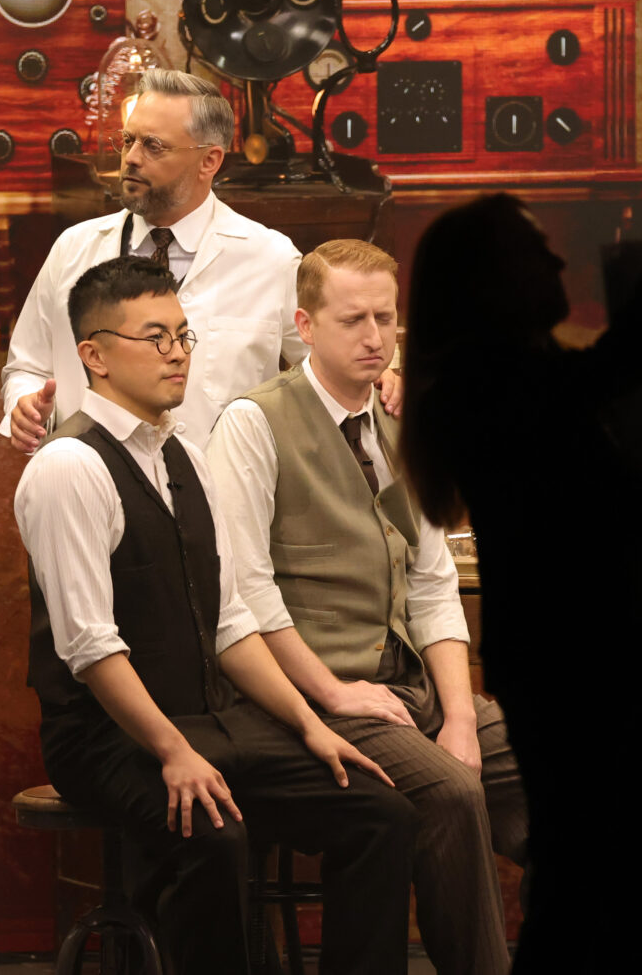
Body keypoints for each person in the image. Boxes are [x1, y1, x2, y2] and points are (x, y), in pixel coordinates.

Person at [14, 254, 414, 975]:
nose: (177, 354)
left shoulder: (187, 457)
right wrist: (172, 751)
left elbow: (232, 624)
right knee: (214, 837)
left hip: (211, 721)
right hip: (107, 740)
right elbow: (90, 648)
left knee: (380, 816)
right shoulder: (67, 467)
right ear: (93, 355)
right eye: (154, 338)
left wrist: (307, 725)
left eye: (183, 335)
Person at [206, 239, 529, 975]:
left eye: (385, 318)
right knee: (449, 793)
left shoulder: (401, 422)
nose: (375, 337)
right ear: (305, 324)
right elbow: (245, 593)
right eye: (352, 319)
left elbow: (430, 581)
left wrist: (457, 717)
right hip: (307, 695)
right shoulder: (252, 425)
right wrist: (329, 691)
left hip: (405, 685)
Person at [400, 193, 642, 975]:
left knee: (608, 897)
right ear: (491, 279)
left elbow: (618, 549)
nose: (559, 261)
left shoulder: (519, 383)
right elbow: (624, 362)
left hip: (597, 667)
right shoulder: (493, 387)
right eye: (536, 250)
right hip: (581, 676)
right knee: (594, 902)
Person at [0, 68, 400, 452]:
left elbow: (329, 369)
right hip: (92, 490)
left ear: (210, 161)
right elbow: (26, 367)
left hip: (223, 500)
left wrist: (379, 376)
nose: (131, 158)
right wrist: (26, 407)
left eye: (153, 145)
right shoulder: (73, 249)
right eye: (127, 141)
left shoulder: (270, 258)